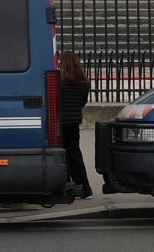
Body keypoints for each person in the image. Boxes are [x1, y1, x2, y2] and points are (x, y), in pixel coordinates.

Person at [56, 49, 93, 199]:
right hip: (74, 122)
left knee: (62, 155)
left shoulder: (60, 82)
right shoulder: (84, 83)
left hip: (61, 122)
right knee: (75, 155)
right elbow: (82, 103)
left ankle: (68, 186)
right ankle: (85, 188)